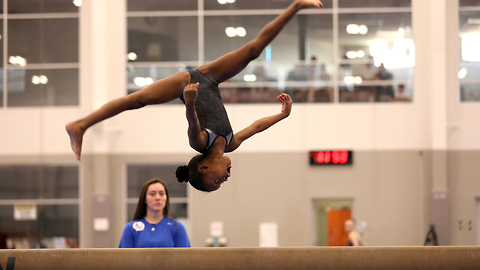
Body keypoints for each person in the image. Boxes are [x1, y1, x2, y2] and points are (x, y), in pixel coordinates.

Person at [66, 0, 324, 192]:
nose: (225, 178)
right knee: (253, 51)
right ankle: (298, 5)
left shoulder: (201, 144)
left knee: (136, 100)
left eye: (216, 180)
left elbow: (193, 124)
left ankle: (81, 124)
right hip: (210, 80)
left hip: (188, 83)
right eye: (221, 183)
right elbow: (256, 127)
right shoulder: (231, 143)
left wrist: (189, 102)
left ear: (203, 167)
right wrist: (282, 115)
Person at [119, 178, 190, 248]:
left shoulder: (177, 227)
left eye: (162, 194)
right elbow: (124, 258)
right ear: (144, 199)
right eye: (152, 194)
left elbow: (185, 258)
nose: (158, 198)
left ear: (166, 198)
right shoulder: (131, 228)